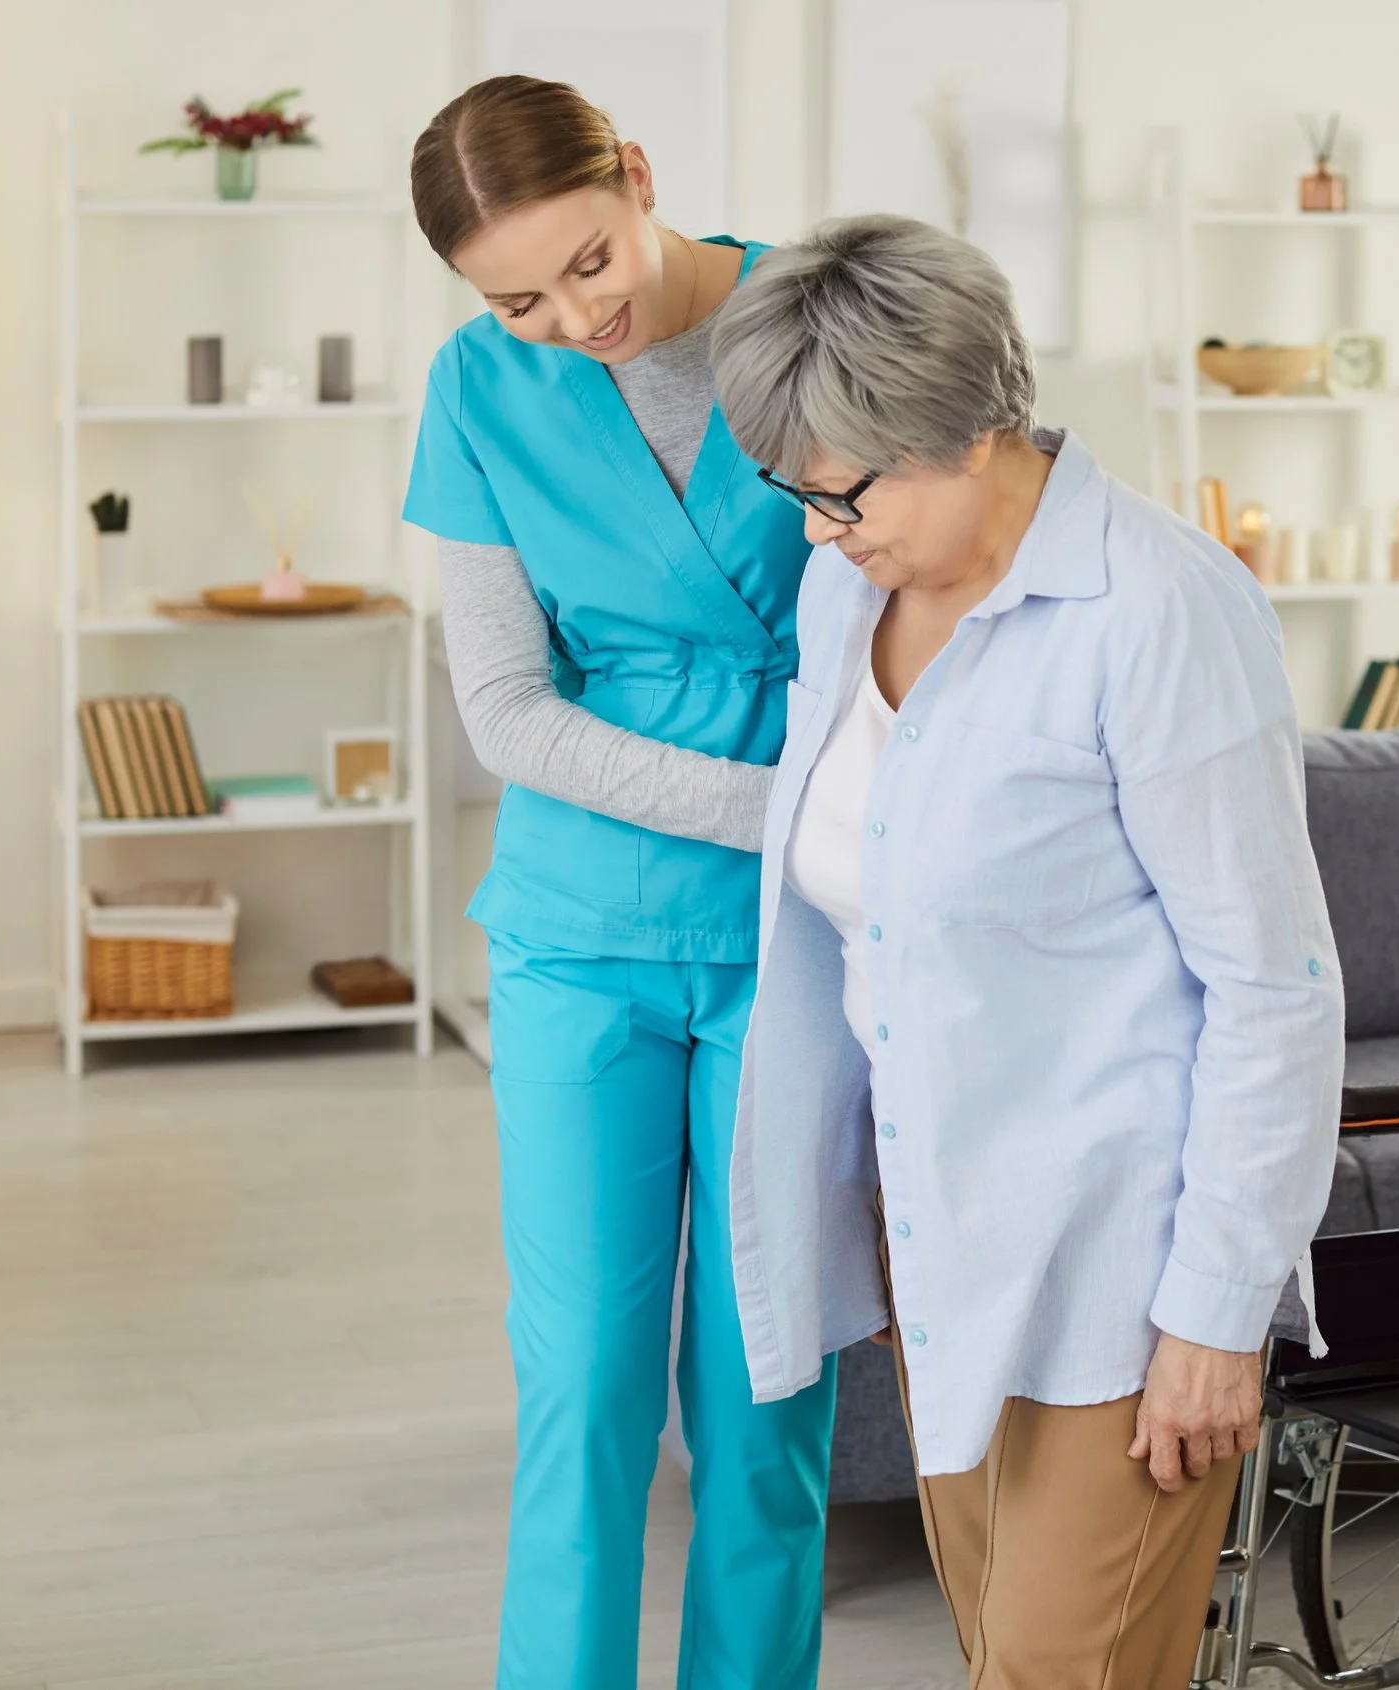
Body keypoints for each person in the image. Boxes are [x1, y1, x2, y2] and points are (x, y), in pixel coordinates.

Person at [711, 215, 1345, 1690]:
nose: (816, 525)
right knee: (1010, 1655)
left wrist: (1214, 1313)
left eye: (841, 489)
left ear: (973, 429)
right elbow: (865, 920)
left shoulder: (1162, 612)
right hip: (950, 1256)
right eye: (791, 491)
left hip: (1124, 1275)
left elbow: (1275, 989)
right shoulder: (845, 589)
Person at [400, 75, 833, 1690]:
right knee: (580, 1387)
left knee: (766, 1391)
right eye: (518, 296)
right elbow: (508, 711)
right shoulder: (475, 385)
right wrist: (781, 804)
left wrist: (841, 830)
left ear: (639, 178)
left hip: (795, 939)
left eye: (591, 261)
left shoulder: (813, 317)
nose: (573, 317)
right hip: (581, 937)